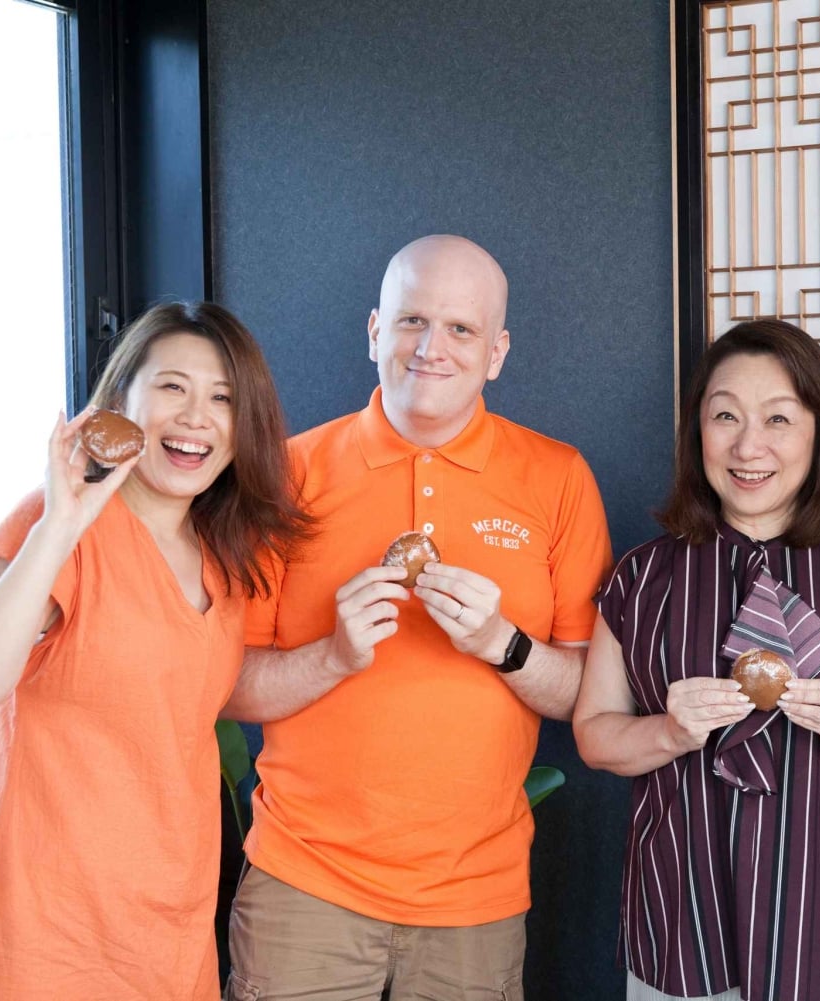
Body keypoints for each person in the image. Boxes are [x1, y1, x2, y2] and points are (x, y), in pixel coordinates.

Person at [222, 234, 612, 1001]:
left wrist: (500, 643)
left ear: (496, 352)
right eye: (411, 321)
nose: (432, 347)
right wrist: (332, 655)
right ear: (374, 332)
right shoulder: (286, 475)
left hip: (476, 900)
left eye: (461, 329)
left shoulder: (558, 478)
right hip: (304, 885)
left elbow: (587, 699)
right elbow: (228, 685)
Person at [0, 301, 310, 999]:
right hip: (43, 925)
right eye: (173, 387)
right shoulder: (56, 526)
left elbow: (195, 693)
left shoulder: (227, 555)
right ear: (123, 399)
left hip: (168, 923)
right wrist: (61, 523)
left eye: (223, 398)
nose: (198, 415)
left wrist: (345, 655)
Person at [573, 318, 820, 1001]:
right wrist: (668, 731)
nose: (748, 445)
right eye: (724, 415)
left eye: (778, 419)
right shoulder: (642, 578)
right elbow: (593, 734)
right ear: (696, 430)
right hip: (683, 924)